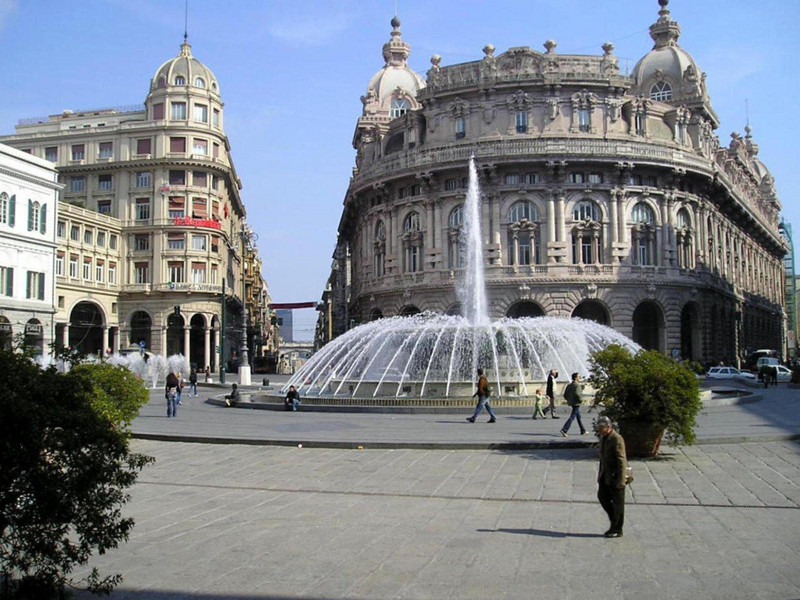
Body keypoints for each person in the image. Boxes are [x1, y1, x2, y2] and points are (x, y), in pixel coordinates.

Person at [596, 415, 628, 538]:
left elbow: (621, 459)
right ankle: (614, 520)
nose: (599, 430)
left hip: (616, 476)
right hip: (605, 475)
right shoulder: (604, 437)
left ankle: (617, 529)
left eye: (601, 427)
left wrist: (621, 479)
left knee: (618, 503)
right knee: (602, 497)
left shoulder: (617, 439)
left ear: (608, 427)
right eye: (598, 427)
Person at [560, 372, 589, 437]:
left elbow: (565, 395)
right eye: (579, 376)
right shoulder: (577, 385)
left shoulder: (570, 385)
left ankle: (583, 430)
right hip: (576, 403)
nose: (580, 378)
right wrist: (581, 400)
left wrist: (569, 400)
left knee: (578, 417)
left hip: (572, 403)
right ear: (575, 378)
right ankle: (564, 429)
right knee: (572, 417)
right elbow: (577, 394)